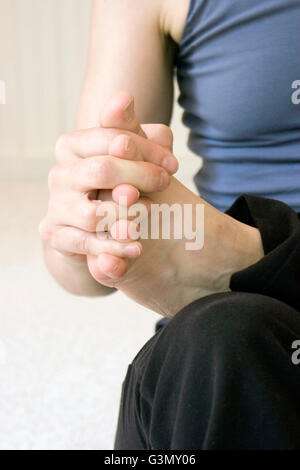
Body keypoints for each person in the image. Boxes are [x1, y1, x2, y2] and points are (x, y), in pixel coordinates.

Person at [39, 0, 300, 449]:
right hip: (228, 344)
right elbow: (82, 272)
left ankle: (252, 257)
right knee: (224, 337)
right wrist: (88, 229)